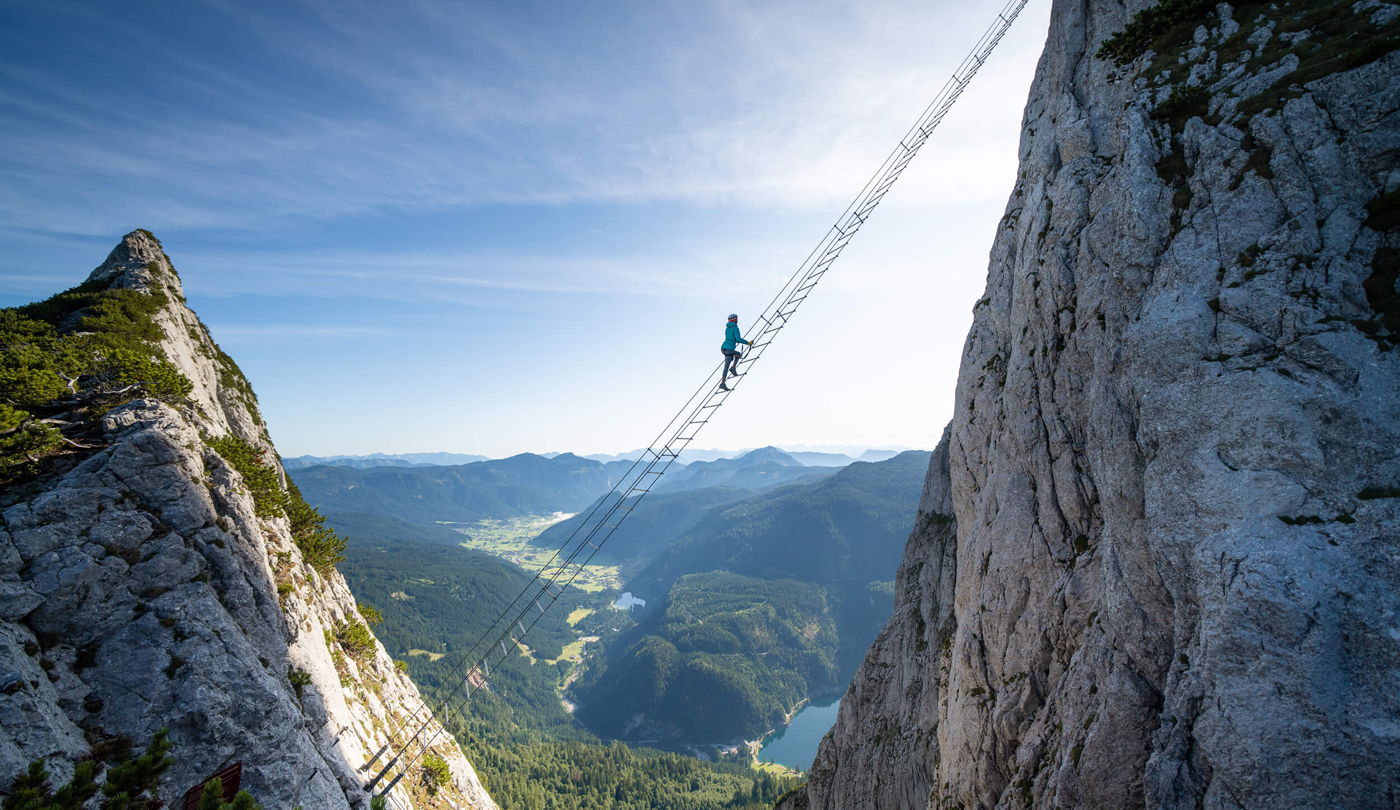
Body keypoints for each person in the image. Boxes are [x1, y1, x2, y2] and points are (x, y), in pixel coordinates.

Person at [719, 313, 752, 390]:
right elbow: (738, 339)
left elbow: (731, 338)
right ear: (735, 320)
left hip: (724, 348)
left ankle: (725, 380)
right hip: (729, 349)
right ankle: (731, 370)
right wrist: (748, 343)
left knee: (734, 358)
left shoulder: (727, 328)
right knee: (735, 357)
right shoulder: (735, 328)